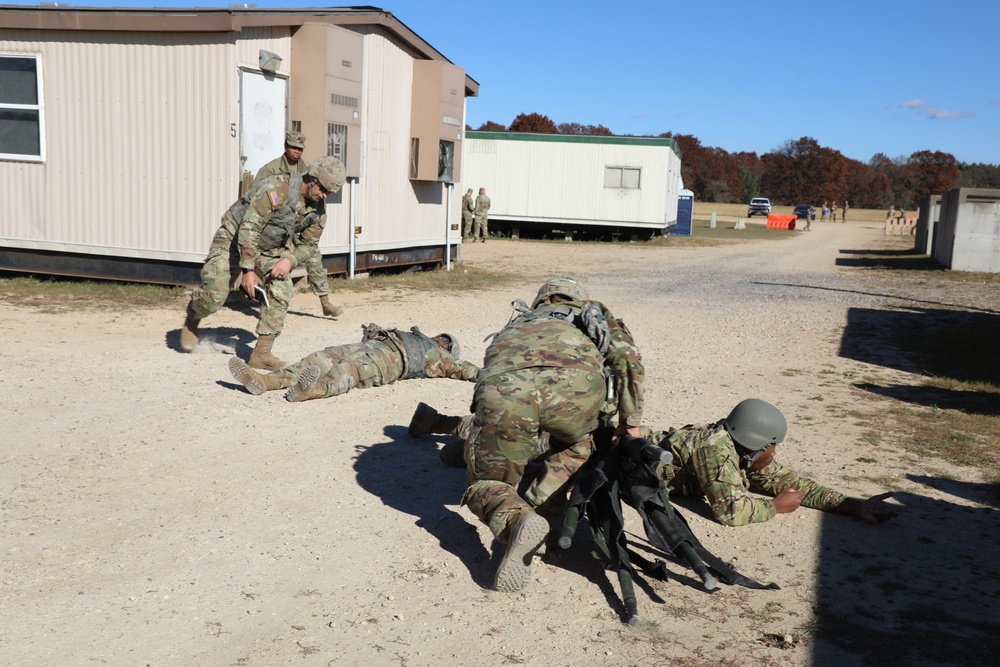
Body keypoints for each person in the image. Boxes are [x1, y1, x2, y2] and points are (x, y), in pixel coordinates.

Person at [414, 398, 899, 527]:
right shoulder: (718, 455)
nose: (774, 457)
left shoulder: (736, 449)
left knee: (528, 446)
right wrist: (777, 509)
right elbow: (731, 510)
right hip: (602, 450)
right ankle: (449, 430)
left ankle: (456, 441)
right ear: (756, 443)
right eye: (773, 446)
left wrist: (849, 505)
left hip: (615, 451)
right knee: (520, 443)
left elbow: (783, 480)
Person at [462, 277, 645, 592]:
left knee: (487, 483)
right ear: (577, 299)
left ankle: (517, 518)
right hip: (575, 391)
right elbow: (628, 358)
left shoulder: (519, 321)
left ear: (539, 301)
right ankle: (539, 508)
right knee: (577, 446)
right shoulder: (595, 315)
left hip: (507, 389)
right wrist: (630, 421)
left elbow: (491, 364)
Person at [180, 155, 346, 369]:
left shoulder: (318, 212)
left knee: (282, 288)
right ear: (312, 178)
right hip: (233, 238)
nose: (325, 195)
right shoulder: (276, 188)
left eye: (330, 193)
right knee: (215, 297)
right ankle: (193, 317)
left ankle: (261, 354)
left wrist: (289, 260)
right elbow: (250, 228)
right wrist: (248, 270)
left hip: (269, 248)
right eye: (323, 189)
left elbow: (309, 245)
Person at [227, 323, 479, 402]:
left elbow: (465, 369)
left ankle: (310, 390)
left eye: (445, 342)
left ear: (448, 350)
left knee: (345, 372)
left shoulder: (440, 358)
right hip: (367, 347)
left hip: (384, 364)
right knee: (318, 358)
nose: (440, 339)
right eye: (442, 337)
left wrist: (494, 374)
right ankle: (265, 381)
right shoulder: (414, 335)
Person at [253, 131, 345, 319]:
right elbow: (257, 197)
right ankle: (267, 300)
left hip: (299, 220)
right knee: (270, 258)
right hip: (275, 222)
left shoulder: (308, 169)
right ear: (286, 146)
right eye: (293, 147)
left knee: (312, 254)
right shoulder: (270, 169)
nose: (296, 152)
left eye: (300, 149)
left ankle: (325, 301)